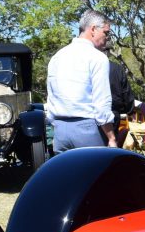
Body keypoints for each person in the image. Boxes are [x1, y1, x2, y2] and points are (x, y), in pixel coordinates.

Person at [46, 9, 117, 151]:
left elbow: (51, 97)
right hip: (88, 130)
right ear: (93, 30)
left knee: (66, 174)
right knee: (98, 173)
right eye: (106, 32)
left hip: (60, 131)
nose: (107, 37)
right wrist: (111, 137)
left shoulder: (57, 57)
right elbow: (101, 103)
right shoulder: (97, 58)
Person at [105, 45, 135, 147]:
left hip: (93, 113)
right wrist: (130, 110)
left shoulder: (86, 66)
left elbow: (126, 91)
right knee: (110, 145)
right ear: (108, 52)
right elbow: (126, 92)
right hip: (112, 112)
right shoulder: (117, 69)